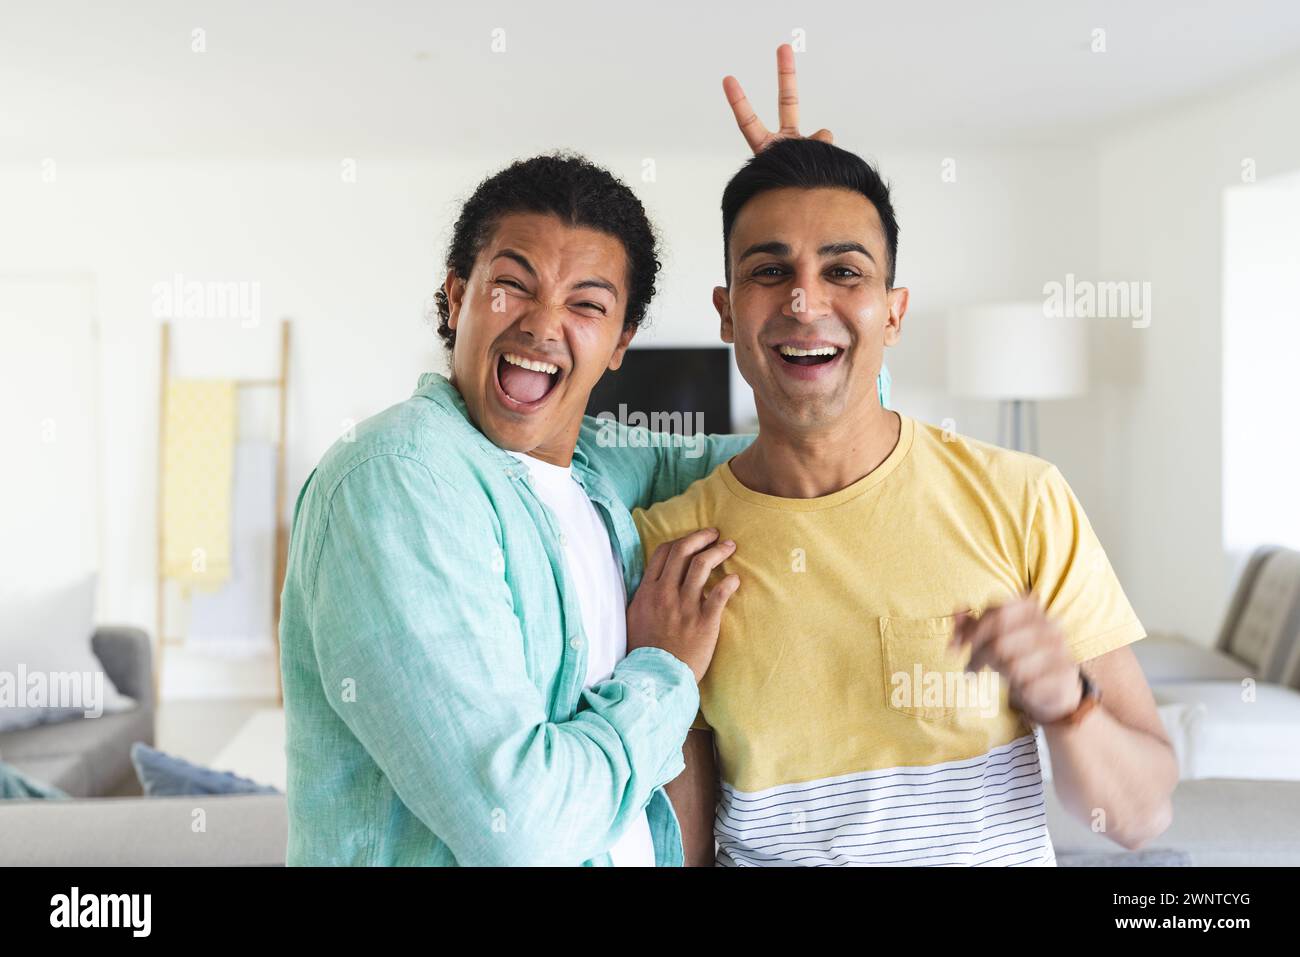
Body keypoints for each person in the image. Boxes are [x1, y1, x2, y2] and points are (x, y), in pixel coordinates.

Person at [279, 47, 866, 866]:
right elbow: (519, 826)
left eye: (587, 303)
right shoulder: (396, 480)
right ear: (457, 298)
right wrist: (662, 667)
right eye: (511, 285)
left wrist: (804, 237)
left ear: (621, 340)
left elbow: (814, 444)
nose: (541, 324)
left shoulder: (601, 470)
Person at [636, 137, 1177, 867]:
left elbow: (1140, 815)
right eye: (770, 270)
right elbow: (685, 848)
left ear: (892, 313)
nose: (804, 299)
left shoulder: (1023, 499)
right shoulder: (672, 547)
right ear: (727, 312)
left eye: (843, 270)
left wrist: (1069, 702)